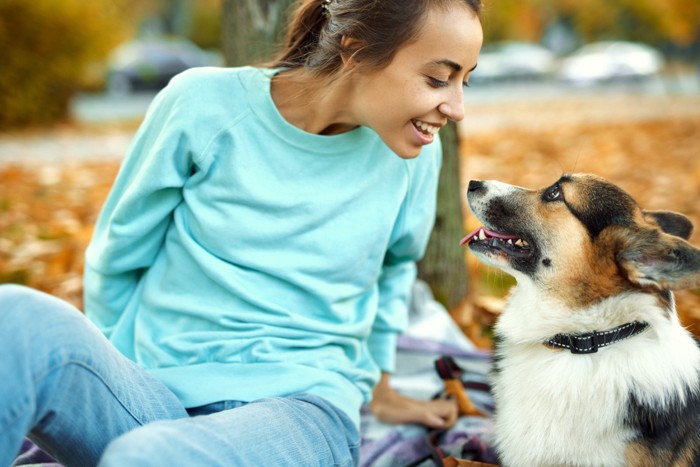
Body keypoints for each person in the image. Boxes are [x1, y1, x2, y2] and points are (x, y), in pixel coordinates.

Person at [0, 0, 483, 464]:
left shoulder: (413, 158)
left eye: (464, 80)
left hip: (300, 412)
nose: (456, 107)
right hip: (154, 396)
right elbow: (119, 252)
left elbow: (395, 269)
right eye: (439, 78)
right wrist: (114, 380)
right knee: (15, 316)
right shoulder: (202, 104)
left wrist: (379, 389)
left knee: (150, 456)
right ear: (355, 51)